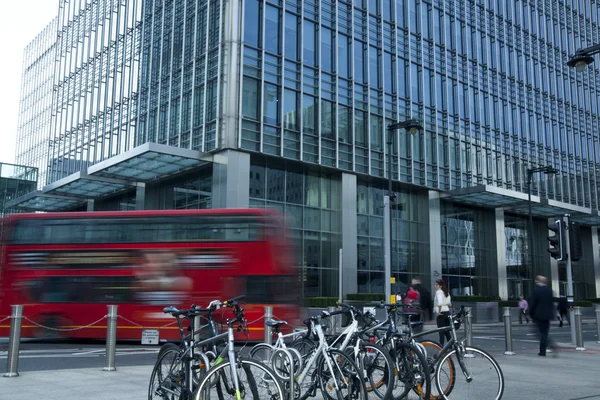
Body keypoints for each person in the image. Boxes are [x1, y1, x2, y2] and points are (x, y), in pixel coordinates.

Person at [528, 275, 557, 357]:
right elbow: (552, 304)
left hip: (538, 315)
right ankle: (542, 351)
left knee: (537, 332)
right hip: (547, 315)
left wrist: (530, 314)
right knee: (544, 332)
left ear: (538, 281)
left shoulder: (536, 291)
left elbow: (533, 303)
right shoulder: (549, 291)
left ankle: (549, 344)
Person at [434, 279, 452, 345]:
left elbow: (439, 303)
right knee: (447, 332)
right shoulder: (446, 292)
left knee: (441, 332)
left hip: (441, 313)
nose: (435, 286)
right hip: (447, 312)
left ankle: (441, 348)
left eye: (436, 285)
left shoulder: (439, 292)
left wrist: (438, 312)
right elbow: (450, 304)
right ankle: (450, 347)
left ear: (440, 286)